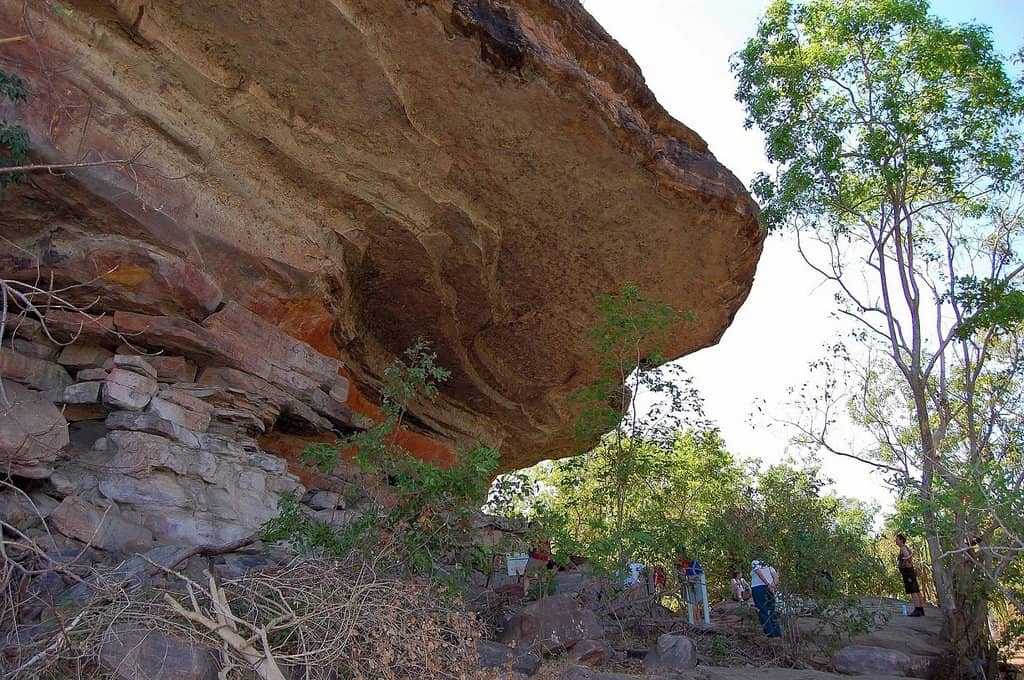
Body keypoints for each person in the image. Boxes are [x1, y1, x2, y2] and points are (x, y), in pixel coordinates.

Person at [750, 558, 781, 638]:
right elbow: (776, 577)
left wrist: (767, 584)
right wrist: (772, 585)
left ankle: (770, 634)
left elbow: (759, 573)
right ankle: (777, 633)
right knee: (772, 610)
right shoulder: (770, 567)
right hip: (770, 589)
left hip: (758, 588)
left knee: (762, 611)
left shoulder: (755, 562)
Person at [895, 534, 925, 617]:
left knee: (913, 590)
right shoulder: (904, 548)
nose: (895, 541)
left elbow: (908, 556)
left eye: (897, 539)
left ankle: (917, 609)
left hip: (908, 572)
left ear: (901, 540)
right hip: (909, 571)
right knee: (916, 589)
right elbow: (911, 554)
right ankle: (921, 609)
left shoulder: (903, 548)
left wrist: (906, 558)